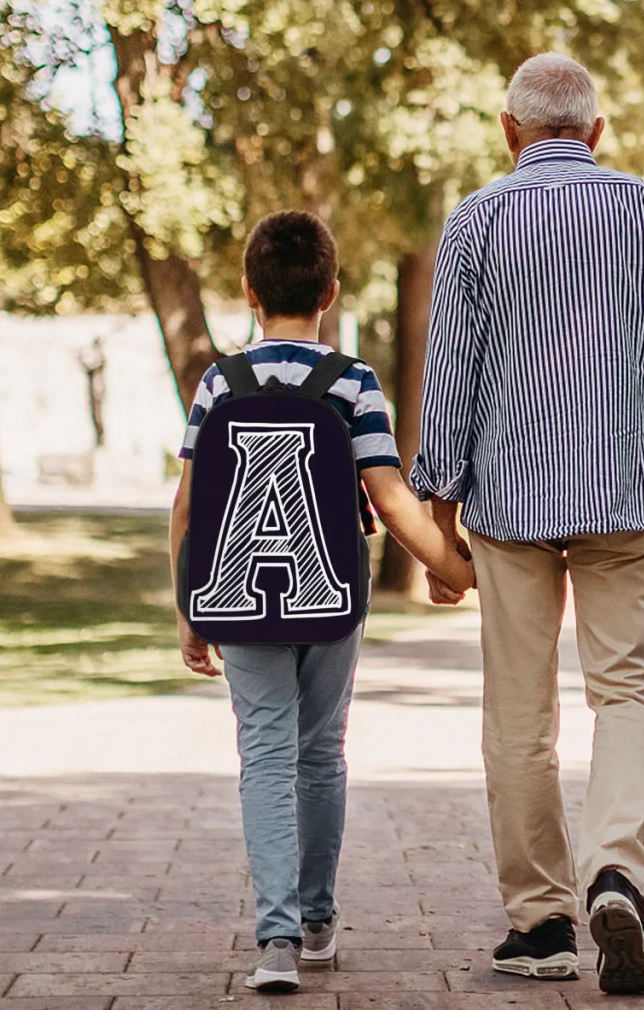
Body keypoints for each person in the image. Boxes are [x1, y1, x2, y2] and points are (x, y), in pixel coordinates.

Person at [411, 54, 644, 995]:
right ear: (596, 133)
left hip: (511, 504)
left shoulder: (477, 218)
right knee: (628, 695)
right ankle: (617, 875)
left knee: (519, 718)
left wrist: (438, 524)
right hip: (628, 496)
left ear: (508, 129)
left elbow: (450, 379)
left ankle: (542, 925)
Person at [169, 211, 475, 994]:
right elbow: (392, 499)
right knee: (320, 752)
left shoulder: (217, 382)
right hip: (331, 590)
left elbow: (189, 504)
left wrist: (187, 606)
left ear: (248, 291)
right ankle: (315, 923)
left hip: (236, 593)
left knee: (264, 753)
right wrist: (461, 570)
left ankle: (273, 943)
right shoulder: (351, 382)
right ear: (331, 293)